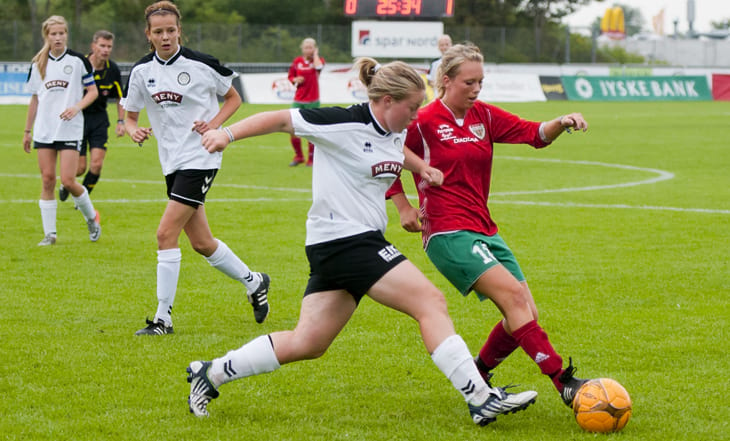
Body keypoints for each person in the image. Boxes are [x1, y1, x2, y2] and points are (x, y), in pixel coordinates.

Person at [187, 57, 538, 425]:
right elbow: (280, 119)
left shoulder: (393, 127)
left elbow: (391, 148)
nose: (416, 117)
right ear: (386, 100)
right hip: (345, 240)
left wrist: (420, 167)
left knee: (308, 342)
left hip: (339, 245)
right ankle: (480, 397)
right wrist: (224, 135)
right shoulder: (341, 122)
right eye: (412, 108)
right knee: (430, 302)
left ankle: (209, 374)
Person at [387, 43, 590, 409]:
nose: (477, 89)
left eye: (481, 81)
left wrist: (561, 122)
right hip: (447, 231)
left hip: (484, 228)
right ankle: (565, 382)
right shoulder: (424, 121)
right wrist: (403, 205)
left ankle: (479, 374)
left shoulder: (484, 116)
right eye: (469, 82)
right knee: (514, 300)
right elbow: (384, 152)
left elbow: (534, 134)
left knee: (525, 312)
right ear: (446, 81)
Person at [122, 1, 270, 335]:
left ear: (179, 30)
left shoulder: (201, 64)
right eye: (158, 31)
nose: (165, 37)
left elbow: (233, 98)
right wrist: (135, 132)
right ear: (148, 34)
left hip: (201, 157)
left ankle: (162, 319)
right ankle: (254, 281)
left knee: (165, 234)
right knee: (202, 242)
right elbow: (130, 118)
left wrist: (215, 127)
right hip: (171, 161)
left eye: (170, 30)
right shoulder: (142, 72)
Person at [22, 15, 101, 246]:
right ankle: (50, 234)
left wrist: (76, 107)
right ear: (46, 36)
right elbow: (35, 100)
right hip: (45, 130)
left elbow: (92, 92)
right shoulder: (38, 63)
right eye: (53, 34)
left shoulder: (78, 61)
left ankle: (91, 218)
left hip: (70, 129)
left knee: (67, 180)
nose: (58, 37)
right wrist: (27, 131)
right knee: (47, 180)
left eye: (61, 33)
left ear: (66, 34)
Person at [59, 30, 125, 204]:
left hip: (99, 120)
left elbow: (120, 97)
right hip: (78, 119)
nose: (105, 50)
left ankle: (82, 201)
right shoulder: (79, 64)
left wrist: (121, 121)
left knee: (96, 164)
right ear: (93, 46)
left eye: (109, 46)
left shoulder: (113, 70)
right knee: (79, 169)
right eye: (102, 45)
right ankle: (66, 184)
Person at [286, 37, 324, 167]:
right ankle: (299, 156)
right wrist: (295, 79)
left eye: (311, 47)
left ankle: (311, 159)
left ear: (314, 48)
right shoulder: (297, 61)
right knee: (291, 128)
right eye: (306, 47)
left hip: (312, 100)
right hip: (298, 99)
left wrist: (316, 55)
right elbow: (290, 76)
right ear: (302, 48)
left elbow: (319, 66)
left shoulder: (317, 61)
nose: (308, 50)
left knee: (310, 130)